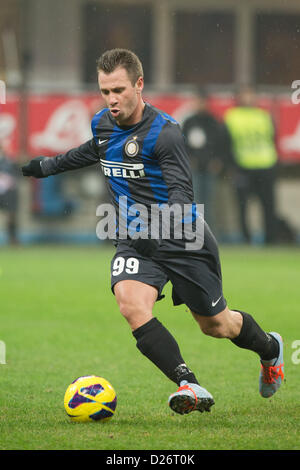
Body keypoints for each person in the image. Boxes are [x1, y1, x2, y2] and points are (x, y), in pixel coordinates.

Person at [22, 49, 284, 415]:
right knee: (130, 304)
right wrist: (45, 166)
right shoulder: (102, 123)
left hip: (182, 238)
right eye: (105, 91)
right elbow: (92, 151)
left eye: (119, 90)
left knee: (217, 325)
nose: (112, 99)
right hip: (134, 239)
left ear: (139, 85)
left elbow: (182, 196)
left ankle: (270, 350)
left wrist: (157, 231)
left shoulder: (165, 134)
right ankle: (188, 383)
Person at [223, 86, 279, 244]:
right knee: (243, 207)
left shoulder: (263, 115)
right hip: (243, 167)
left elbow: (273, 139)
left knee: (268, 206)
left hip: (266, 165)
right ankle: (246, 239)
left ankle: (271, 239)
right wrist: (231, 167)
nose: (248, 98)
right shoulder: (232, 116)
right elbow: (226, 144)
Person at [181, 89, 224, 231]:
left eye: (202, 101)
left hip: (210, 169)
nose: (200, 104)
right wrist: (188, 160)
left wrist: (217, 161)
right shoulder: (189, 122)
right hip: (194, 169)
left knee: (210, 204)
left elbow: (220, 144)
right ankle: (194, 232)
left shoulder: (214, 122)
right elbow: (182, 144)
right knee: (195, 202)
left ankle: (208, 233)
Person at [0, 142, 19, 244]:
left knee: (11, 215)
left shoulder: (9, 162)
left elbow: (16, 176)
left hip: (7, 192)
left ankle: (12, 239)